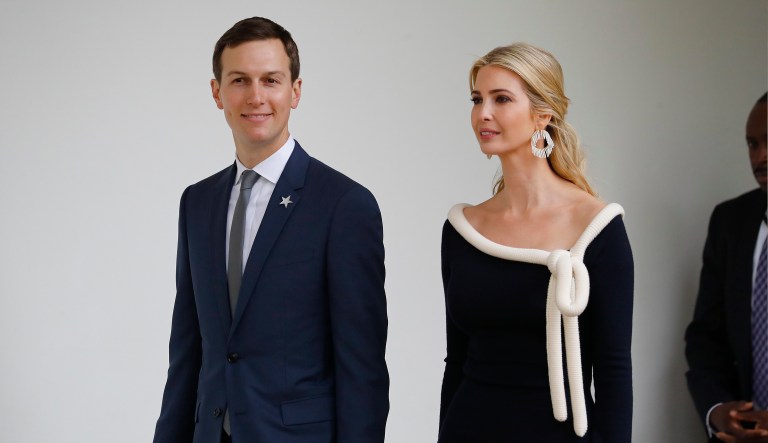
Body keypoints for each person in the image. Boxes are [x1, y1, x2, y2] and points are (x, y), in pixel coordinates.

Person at [152, 17, 389, 443]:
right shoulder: (197, 203)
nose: (256, 97)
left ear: (294, 92)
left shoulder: (343, 205)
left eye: (271, 80)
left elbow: (363, 370)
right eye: (240, 80)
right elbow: (187, 353)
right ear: (216, 92)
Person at [438, 43, 634, 442]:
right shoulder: (463, 229)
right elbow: (455, 361)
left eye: (501, 99)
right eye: (477, 99)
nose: (483, 113)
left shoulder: (597, 226)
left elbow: (613, 370)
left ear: (543, 114)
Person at [685, 92, 768, 443]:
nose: (760, 156)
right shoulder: (730, 221)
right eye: (752, 144)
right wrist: (718, 410)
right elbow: (707, 337)